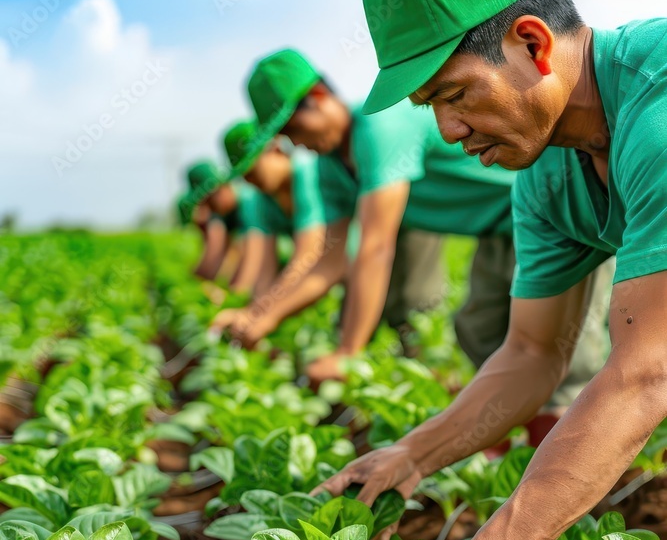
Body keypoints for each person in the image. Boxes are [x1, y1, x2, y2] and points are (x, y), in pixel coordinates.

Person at [317, 0, 667, 540]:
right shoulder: (543, 170)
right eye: (431, 107)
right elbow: (533, 353)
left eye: (455, 94)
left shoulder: (655, 107)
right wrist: (413, 454)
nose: (448, 131)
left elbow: (645, 373)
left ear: (532, 44)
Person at [216, 49, 526, 385]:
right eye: (287, 136)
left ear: (319, 97)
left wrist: (347, 353)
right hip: (498, 231)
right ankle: (514, 431)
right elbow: (329, 260)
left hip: (538, 206)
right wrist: (261, 316)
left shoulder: (379, 124)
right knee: (481, 332)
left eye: (295, 127)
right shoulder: (328, 165)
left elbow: (374, 246)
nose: (297, 143)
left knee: (552, 348)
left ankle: (556, 426)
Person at [209, 120, 329, 340]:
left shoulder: (306, 173)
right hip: (320, 276)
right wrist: (253, 312)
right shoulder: (261, 198)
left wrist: (259, 313)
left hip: (342, 263)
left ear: (275, 149)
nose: (249, 180)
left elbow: (307, 257)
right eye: (243, 175)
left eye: (252, 170)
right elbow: (264, 270)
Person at [180, 159, 277, 295]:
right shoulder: (228, 214)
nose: (211, 209)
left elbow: (255, 255)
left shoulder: (249, 201)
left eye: (210, 201)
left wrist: (234, 295)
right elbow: (227, 254)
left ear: (220, 189)